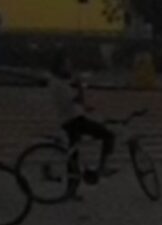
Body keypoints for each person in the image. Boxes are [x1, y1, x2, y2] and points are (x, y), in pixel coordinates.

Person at [48, 52, 115, 189]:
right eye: (67, 64)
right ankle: (102, 167)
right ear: (60, 66)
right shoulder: (58, 84)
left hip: (70, 119)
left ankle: (71, 189)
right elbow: (74, 99)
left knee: (73, 154)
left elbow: (73, 102)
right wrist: (79, 87)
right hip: (73, 121)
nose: (69, 67)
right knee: (108, 135)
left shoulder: (56, 82)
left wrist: (84, 106)